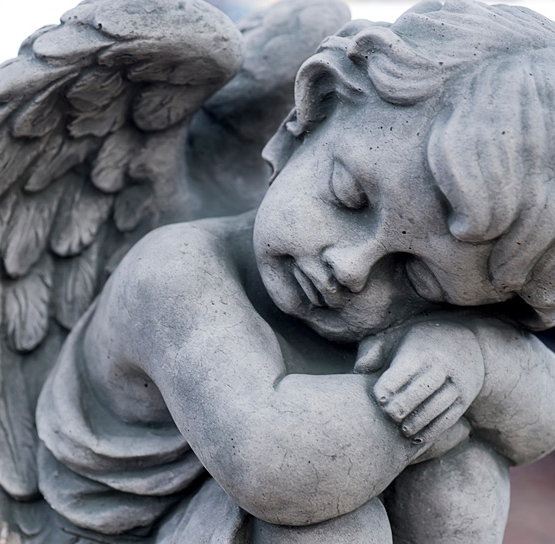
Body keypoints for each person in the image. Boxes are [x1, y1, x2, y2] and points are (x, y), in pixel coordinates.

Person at [36, 1, 555, 542]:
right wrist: (437, 410)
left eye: (417, 278)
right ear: (308, 117)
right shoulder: (175, 273)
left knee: (464, 477)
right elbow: (278, 470)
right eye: (349, 197)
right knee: (329, 525)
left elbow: (537, 424)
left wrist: (473, 359)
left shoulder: (447, 319)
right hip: (124, 531)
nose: (351, 269)